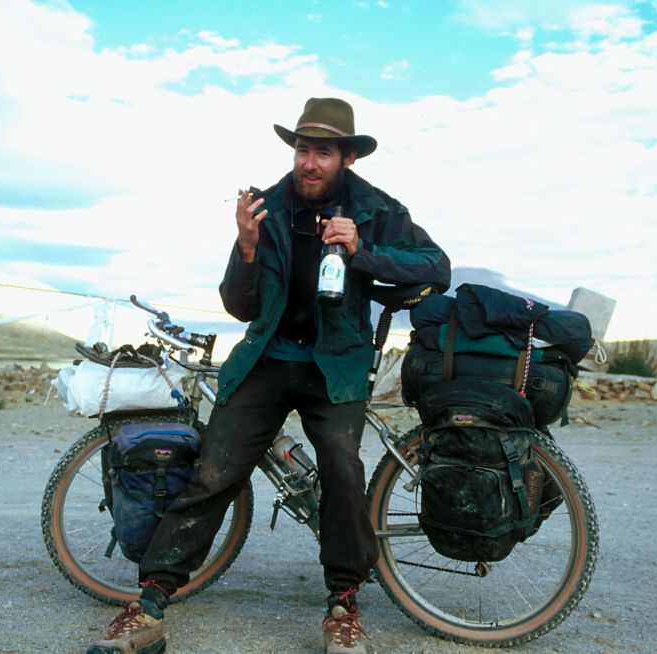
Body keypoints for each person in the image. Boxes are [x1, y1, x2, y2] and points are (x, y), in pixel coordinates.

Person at [87, 97, 451, 654]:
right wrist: (247, 248)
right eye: (303, 149)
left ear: (346, 158)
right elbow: (239, 305)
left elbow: (436, 268)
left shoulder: (378, 211)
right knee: (213, 472)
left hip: (336, 365)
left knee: (342, 471)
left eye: (323, 152)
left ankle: (343, 603)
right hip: (267, 358)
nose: (309, 162)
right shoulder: (267, 207)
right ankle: (151, 603)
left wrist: (364, 249)